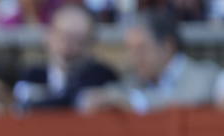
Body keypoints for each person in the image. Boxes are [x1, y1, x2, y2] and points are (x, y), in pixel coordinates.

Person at [80, 9, 224, 113]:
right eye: (131, 50)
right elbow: (99, 98)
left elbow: (186, 103)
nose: (134, 57)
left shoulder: (207, 77)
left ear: (167, 46)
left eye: (141, 48)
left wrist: (137, 103)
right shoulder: (134, 82)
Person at [13, 2, 118, 110]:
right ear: (49, 36)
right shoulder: (33, 75)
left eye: (78, 41)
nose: (68, 47)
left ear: (91, 43)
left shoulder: (102, 77)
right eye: (63, 37)